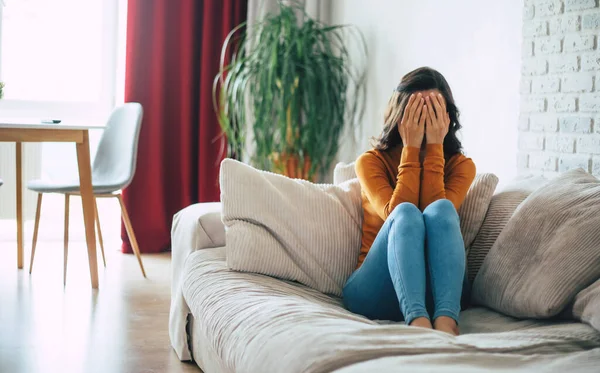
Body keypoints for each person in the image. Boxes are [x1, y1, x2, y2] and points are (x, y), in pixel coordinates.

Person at [342, 67, 476, 336]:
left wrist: (434, 148)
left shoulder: (462, 166)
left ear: (446, 118)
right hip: (376, 287)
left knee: (440, 209)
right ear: (400, 115)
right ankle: (417, 323)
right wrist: (411, 148)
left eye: (433, 111)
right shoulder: (370, 162)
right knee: (405, 213)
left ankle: (447, 323)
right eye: (416, 111)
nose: (424, 120)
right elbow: (394, 214)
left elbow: (433, 216)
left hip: (438, 291)